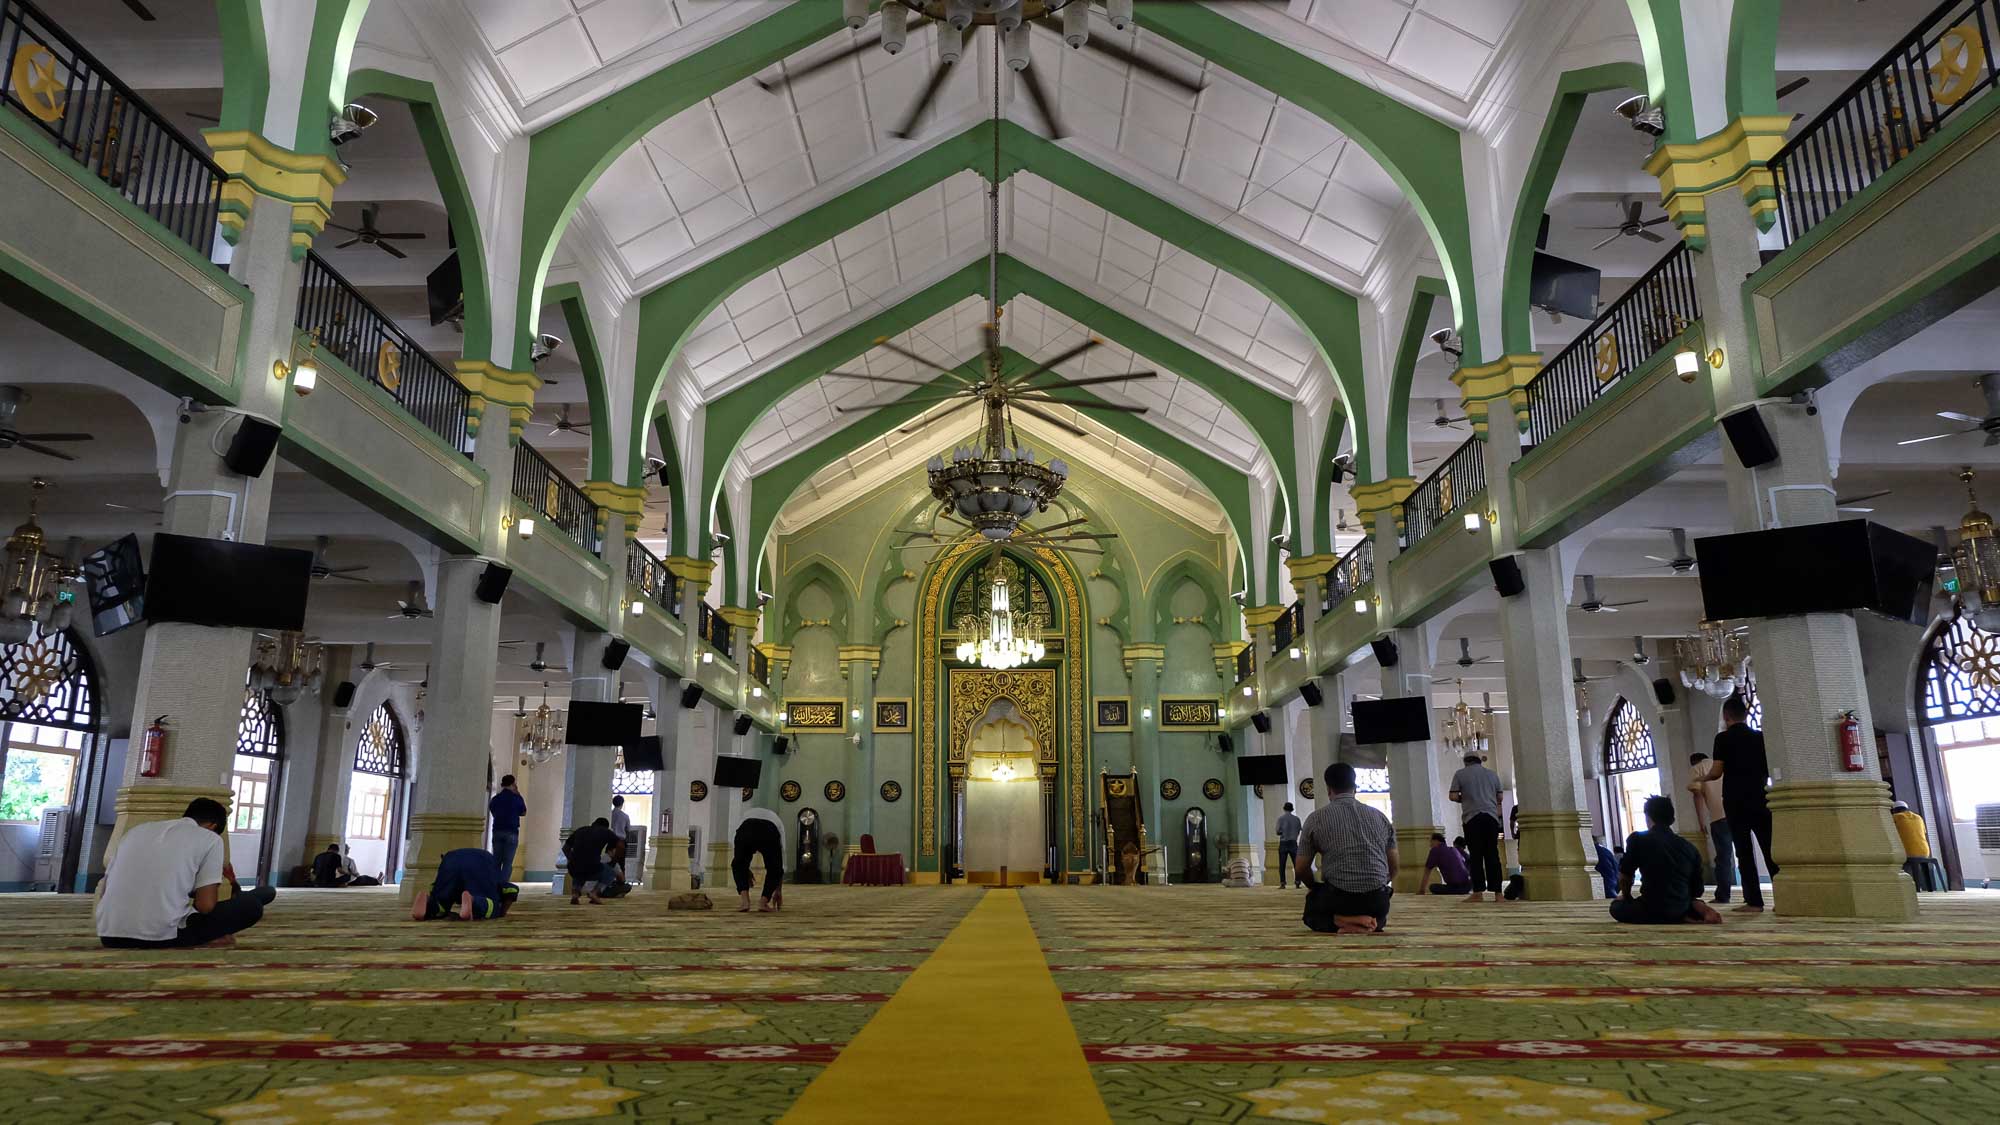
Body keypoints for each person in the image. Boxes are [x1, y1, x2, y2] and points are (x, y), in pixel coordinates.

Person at [97, 798, 276, 948]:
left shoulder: (136, 831)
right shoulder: (210, 839)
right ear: (213, 826)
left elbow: (105, 891)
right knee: (252, 905)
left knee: (262, 894)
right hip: (160, 936)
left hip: (109, 934)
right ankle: (207, 936)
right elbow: (205, 906)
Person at [1295, 763, 1398, 934]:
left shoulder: (1315, 819)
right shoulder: (1380, 817)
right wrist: (1378, 884)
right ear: (1355, 788)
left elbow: (1300, 868)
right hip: (1376, 900)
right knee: (1380, 914)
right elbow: (1394, 867)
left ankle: (1341, 921)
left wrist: (1314, 887)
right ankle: (1370, 923)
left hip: (1338, 899)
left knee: (1312, 913)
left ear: (1328, 789)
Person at [1611, 795, 1722, 925]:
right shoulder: (1689, 847)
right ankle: (1690, 912)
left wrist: (1627, 897)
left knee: (1616, 906)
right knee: (1688, 902)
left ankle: (1675, 914)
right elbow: (1697, 890)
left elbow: (1625, 876)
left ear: (1648, 817)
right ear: (1672, 819)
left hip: (1650, 908)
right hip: (1680, 907)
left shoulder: (1637, 839)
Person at [1712, 694, 1778, 912]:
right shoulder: (1760, 737)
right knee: (1770, 848)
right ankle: (1783, 895)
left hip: (1735, 800)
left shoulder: (1723, 739)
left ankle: (1754, 901)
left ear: (1726, 716)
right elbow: (1769, 769)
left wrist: (1701, 778)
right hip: (1760, 798)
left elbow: (1717, 771)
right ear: (1746, 715)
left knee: (1743, 850)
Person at [1448, 752, 1508, 903]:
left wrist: (1467, 798)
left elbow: (1453, 796)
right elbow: (1500, 797)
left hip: (1472, 818)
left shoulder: (1460, 774)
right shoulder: (1492, 775)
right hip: (1491, 818)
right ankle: (1498, 894)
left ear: (1466, 762)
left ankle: (1478, 893)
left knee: (1476, 856)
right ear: (1480, 761)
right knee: (1492, 854)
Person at [411, 847, 519, 921]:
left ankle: (428, 902)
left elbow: (436, 885)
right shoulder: (495, 875)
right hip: (480, 865)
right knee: (491, 906)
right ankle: (473, 900)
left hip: (450, 860)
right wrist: (501, 912)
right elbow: (511, 890)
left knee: (441, 902)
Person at [1687, 751, 1734, 904]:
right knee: (1745, 854)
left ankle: (1723, 895)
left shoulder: (1697, 768)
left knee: (1723, 858)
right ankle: (1751, 896)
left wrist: (1701, 822)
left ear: (1693, 762)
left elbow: (1697, 796)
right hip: (1738, 813)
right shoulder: (1720, 764)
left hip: (1719, 817)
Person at [733, 806, 787, 912]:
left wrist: (744, 869)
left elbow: (738, 858)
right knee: (774, 868)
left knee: (738, 865)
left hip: (745, 828)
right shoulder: (777, 821)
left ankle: (745, 902)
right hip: (768, 830)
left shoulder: (745, 815)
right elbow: (779, 867)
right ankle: (763, 903)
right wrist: (778, 891)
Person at [562, 817, 624, 906]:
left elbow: (565, 848)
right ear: (606, 827)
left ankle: (575, 893)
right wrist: (614, 861)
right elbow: (621, 846)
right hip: (592, 868)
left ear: (593, 824)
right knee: (610, 872)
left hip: (573, 868)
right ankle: (594, 893)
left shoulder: (581, 830)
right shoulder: (605, 831)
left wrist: (571, 859)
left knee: (579, 867)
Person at [489, 775, 527, 879]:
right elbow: (523, 812)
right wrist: (518, 793)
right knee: (507, 863)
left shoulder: (495, 799)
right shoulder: (516, 798)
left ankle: (495, 885)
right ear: (513, 784)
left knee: (496, 860)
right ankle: (503, 886)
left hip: (497, 831)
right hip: (511, 832)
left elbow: (492, 811)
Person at [1421, 831, 1472, 895]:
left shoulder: (1435, 850)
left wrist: (1421, 890)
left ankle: (1455, 890)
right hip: (1468, 886)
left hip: (1456, 887)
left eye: (1431, 841)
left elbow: (1427, 872)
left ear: (1436, 841)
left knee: (1433, 887)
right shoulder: (1454, 849)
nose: (1430, 845)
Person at [1274, 802, 1303, 890]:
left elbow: (1278, 831)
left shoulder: (1281, 819)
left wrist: (1283, 832)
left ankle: (1283, 883)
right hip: (1293, 843)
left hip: (1284, 843)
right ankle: (1297, 882)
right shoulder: (1297, 819)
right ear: (1292, 809)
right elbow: (1299, 830)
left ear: (1284, 809)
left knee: (1282, 864)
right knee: (1296, 864)